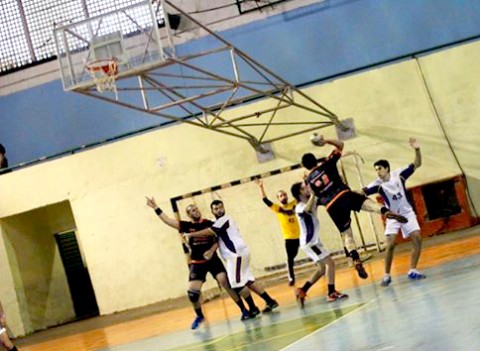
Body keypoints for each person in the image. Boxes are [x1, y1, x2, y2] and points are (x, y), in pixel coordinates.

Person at [302, 135, 408, 280]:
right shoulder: (327, 164)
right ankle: (386, 211)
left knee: (347, 234)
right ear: (315, 160)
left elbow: (311, 202)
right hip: (343, 193)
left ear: (305, 167)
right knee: (368, 204)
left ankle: (355, 259)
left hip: (331, 206)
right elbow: (341, 145)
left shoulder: (308, 182)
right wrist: (326, 140)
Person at [146, 197, 253, 330]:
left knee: (225, 282)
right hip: (197, 263)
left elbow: (217, 241)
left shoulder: (209, 223)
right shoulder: (186, 226)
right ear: (188, 214)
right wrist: (156, 207)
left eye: (196, 209)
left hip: (212, 260)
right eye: (191, 210)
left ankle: (243, 309)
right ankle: (200, 316)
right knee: (192, 293)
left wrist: (211, 250)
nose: (195, 211)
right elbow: (168, 220)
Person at [185, 200, 279, 314]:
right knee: (248, 281)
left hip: (235, 255)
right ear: (212, 211)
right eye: (216, 209)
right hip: (240, 253)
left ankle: (253, 308)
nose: (219, 210)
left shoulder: (225, 219)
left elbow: (210, 231)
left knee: (236, 285)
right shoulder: (215, 221)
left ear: (224, 208)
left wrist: (191, 234)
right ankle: (270, 301)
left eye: (221, 207)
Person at [363, 138, 426, 286]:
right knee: (390, 244)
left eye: (379, 168)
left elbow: (417, 164)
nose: (377, 172)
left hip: (407, 213)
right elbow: (362, 191)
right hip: (392, 216)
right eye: (376, 169)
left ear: (387, 168)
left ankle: (412, 270)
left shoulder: (400, 175)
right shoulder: (377, 185)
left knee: (417, 238)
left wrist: (417, 149)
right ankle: (386, 275)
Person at [291, 182, 348, 306]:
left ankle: (302, 290)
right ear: (299, 192)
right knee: (330, 264)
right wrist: (313, 194)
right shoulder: (300, 206)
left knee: (322, 269)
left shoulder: (312, 200)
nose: (307, 188)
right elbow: (308, 209)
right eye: (304, 187)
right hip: (310, 242)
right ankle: (331, 293)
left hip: (312, 242)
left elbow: (325, 200)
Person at [255, 178, 300, 286]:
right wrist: (261, 187)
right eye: (280, 196)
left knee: (309, 251)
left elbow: (302, 194)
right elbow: (266, 200)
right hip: (289, 238)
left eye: (284, 194)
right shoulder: (278, 209)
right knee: (290, 258)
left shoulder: (294, 204)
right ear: (278, 199)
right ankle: (291, 278)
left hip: (300, 235)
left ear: (287, 196)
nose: (283, 197)